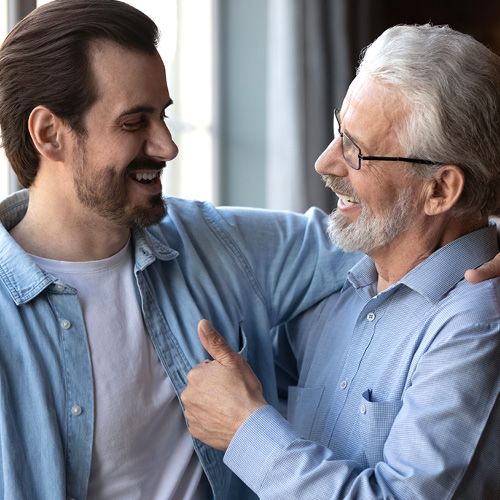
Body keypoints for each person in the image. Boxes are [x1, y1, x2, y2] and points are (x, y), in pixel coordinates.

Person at [0, 1, 362, 499]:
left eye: (164, 117)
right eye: (134, 123)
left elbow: (378, 236)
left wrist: (488, 238)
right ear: (49, 134)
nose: (167, 146)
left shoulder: (213, 242)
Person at [181, 24, 500, 499]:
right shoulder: (333, 287)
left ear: (439, 190)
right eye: (338, 133)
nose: (325, 162)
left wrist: (244, 428)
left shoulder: (478, 323)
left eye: (356, 151)